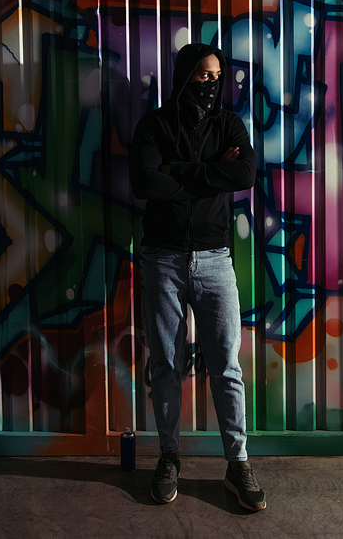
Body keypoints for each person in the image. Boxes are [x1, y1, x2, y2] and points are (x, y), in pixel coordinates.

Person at [129, 42, 266, 511]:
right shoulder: (155, 125)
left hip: (214, 259)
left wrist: (180, 173)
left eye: (216, 75)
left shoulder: (229, 123)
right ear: (184, 76)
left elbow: (244, 172)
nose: (210, 84)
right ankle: (169, 456)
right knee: (165, 365)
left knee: (226, 366)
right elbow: (145, 183)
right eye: (202, 75)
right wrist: (212, 173)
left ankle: (238, 463)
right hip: (162, 261)